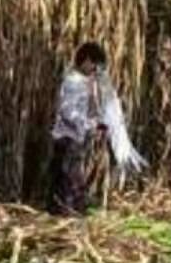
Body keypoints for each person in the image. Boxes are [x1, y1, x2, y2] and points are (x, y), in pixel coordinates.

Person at [49, 40, 146, 215]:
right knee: (70, 173)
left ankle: (60, 207)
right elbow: (67, 111)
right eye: (94, 65)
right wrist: (89, 124)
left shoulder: (83, 82)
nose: (95, 71)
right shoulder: (74, 82)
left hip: (74, 136)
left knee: (66, 173)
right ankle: (70, 209)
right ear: (85, 60)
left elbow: (85, 109)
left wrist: (98, 122)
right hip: (67, 136)